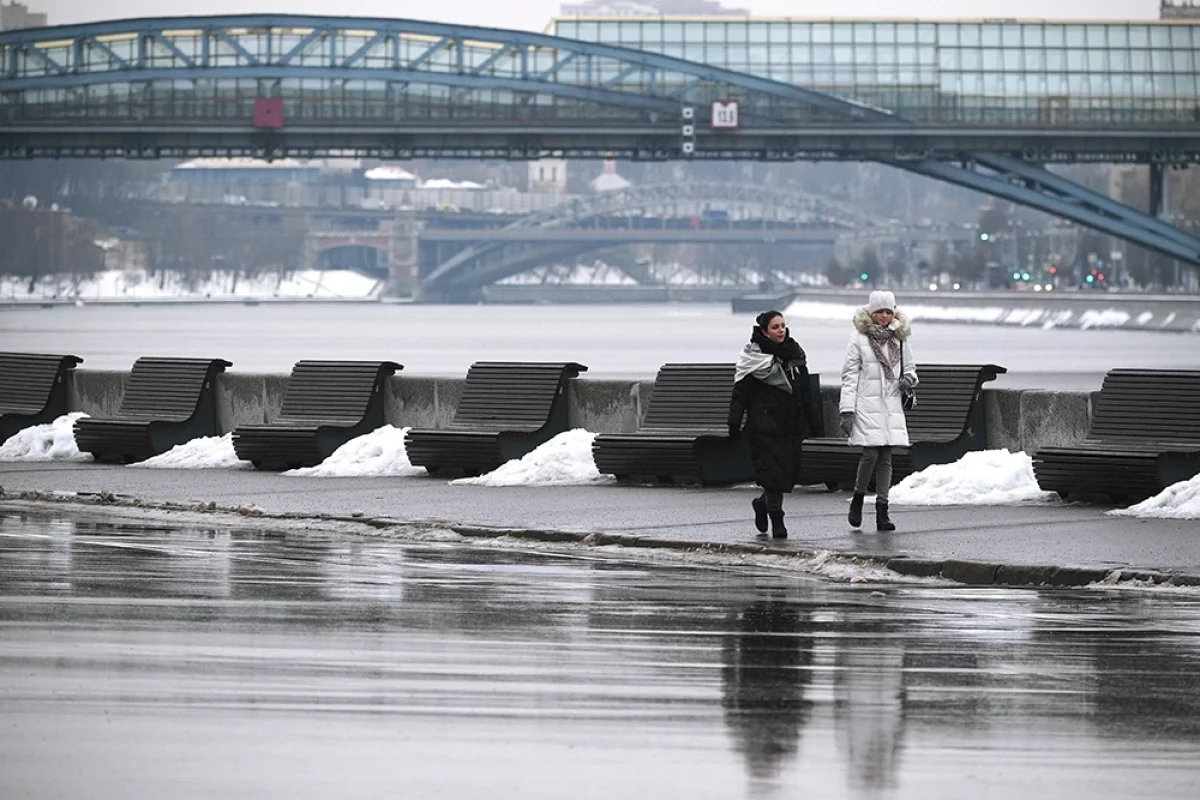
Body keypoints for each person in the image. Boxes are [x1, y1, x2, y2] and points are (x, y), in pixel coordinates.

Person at [728, 310, 821, 539]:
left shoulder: (795, 355)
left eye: (782, 326)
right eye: (775, 327)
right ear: (764, 331)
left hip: (791, 424)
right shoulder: (754, 359)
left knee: (786, 475)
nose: (780, 330)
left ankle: (761, 504)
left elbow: (806, 392)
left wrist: (816, 424)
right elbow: (740, 394)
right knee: (772, 474)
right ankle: (777, 520)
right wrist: (734, 422)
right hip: (764, 425)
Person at [839, 290, 917, 532]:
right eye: (880, 311)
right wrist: (847, 410)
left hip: (891, 404)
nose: (884, 316)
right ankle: (859, 497)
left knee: (886, 457)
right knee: (870, 454)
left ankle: (883, 510)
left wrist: (908, 380)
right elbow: (850, 376)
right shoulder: (858, 339)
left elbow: (911, 369)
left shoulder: (900, 338)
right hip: (866, 404)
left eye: (888, 311)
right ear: (871, 312)